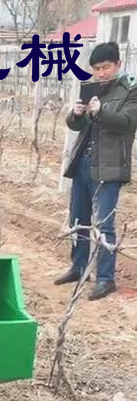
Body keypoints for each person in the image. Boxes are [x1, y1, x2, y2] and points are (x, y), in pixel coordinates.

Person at [55, 41, 137, 301]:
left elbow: (126, 122)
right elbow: (77, 126)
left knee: (104, 223)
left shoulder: (130, 91)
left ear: (118, 65)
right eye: (96, 69)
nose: (101, 73)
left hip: (108, 166)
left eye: (106, 67)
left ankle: (105, 278)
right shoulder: (92, 89)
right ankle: (79, 268)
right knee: (78, 218)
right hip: (83, 163)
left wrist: (100, 112)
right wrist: (76, 114)